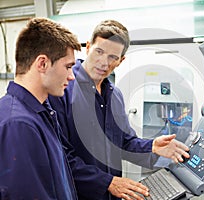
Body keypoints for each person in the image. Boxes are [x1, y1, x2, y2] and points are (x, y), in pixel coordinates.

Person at [48, 19, 190, 200]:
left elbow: (124, 142)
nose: (103, 62)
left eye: (112, 57)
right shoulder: (62, 90)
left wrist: (152, 146)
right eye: (99, 52)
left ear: (121, 60)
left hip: (112, 195)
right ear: (88, 47)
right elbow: (60, 157)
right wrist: (106, 182)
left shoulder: (115, 95)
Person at [0, 17, 82, 199]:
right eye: (68, 67)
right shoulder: (19, 124)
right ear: (42, 63)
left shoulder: (41, 113)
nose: (71, 77)